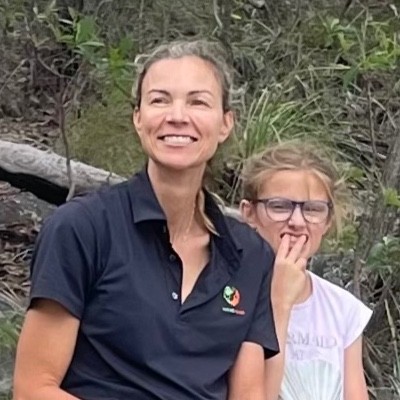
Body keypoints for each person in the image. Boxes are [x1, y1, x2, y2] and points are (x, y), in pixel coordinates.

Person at [13, 40, 280, 400]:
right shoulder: (82, 229)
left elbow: (247, 395)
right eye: (159, 100)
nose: (177, 115)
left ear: (225, 124)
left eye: (198, 102)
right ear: (138, 119)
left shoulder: (251, 255)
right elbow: (33, 389)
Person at [239, 141, 372, 400]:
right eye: (279, 206)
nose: (297, 222)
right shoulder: (232, 298)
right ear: (249, 213)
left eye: (313, 209)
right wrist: (280, 303)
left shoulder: (343, 310)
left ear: (328, 220)